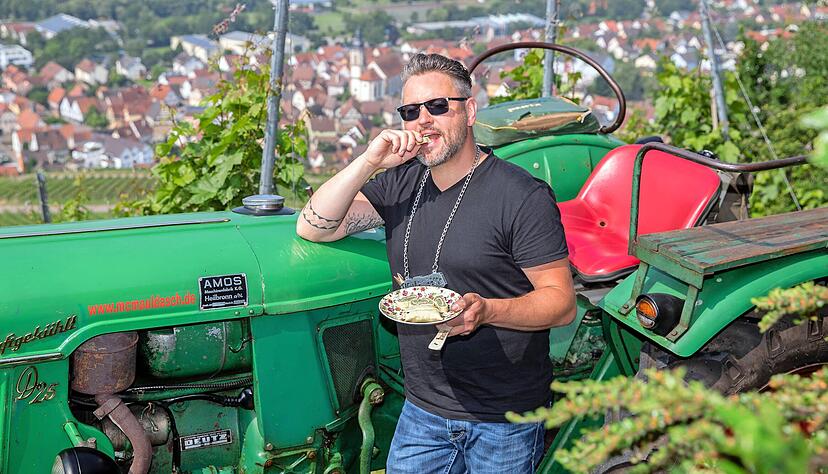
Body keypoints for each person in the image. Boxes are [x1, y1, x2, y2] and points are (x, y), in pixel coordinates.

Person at [296, 53, 576, 473]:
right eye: (410, 112)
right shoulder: (401, 183)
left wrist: (488, 311)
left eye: (438, 106)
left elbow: (561, 302)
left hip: (505, 418)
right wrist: (370, 161)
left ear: (470, 109)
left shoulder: (521, 196)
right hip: (423, 409)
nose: (423, 120)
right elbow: (314, 226)